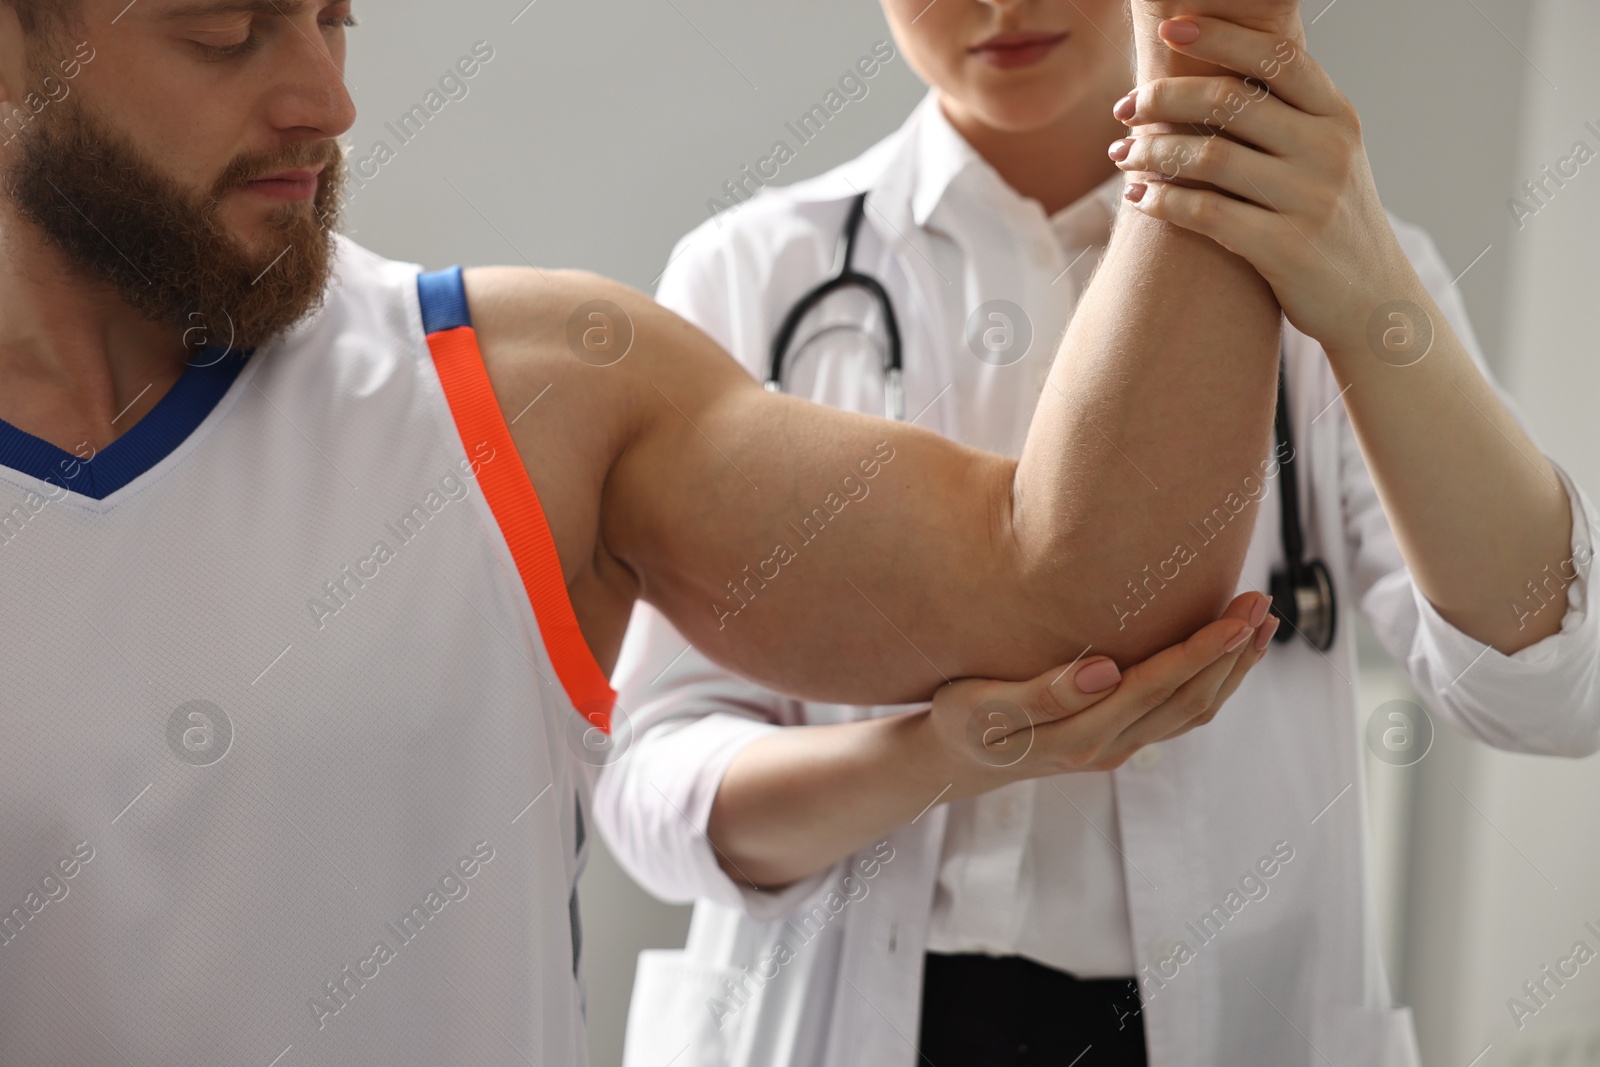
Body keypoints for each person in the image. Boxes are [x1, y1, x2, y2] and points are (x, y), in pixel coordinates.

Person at [0, 0, 1307, 1064]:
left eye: (335, 22)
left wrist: (1212, 51)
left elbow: (1085, 587)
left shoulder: (531, 385)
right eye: (227, 30)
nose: (325, 101)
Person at [596, 3, 1600, 1066]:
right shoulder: (756, 273)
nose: (1000, 4)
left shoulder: (1336, 263)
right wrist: (933, 757)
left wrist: (1371, 294)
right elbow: (653, 781)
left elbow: (1550, 687)